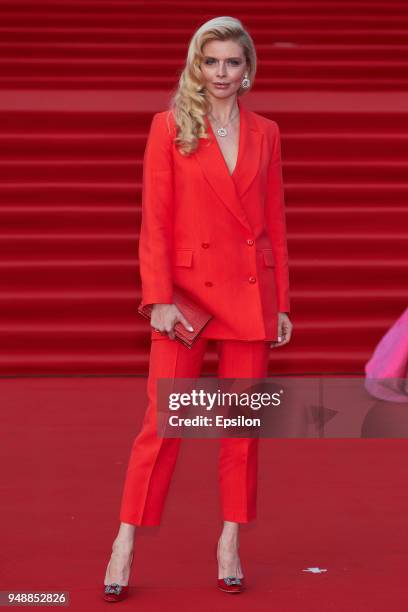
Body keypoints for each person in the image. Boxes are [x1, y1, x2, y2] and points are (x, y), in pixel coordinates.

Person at [103, 15, 293, 601]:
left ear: (248, 69)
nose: (221, 73)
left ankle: (230, 537)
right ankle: (124, 540)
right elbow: (154, 219)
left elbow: (275, 225)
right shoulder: (169, 127)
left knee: (240, 427)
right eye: (211, 62)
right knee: (162, 425)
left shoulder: (267, 132)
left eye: (232, 62)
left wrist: (280, 299)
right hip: (185, 298)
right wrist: (157, 297)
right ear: (196, 66)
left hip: (249, 292)